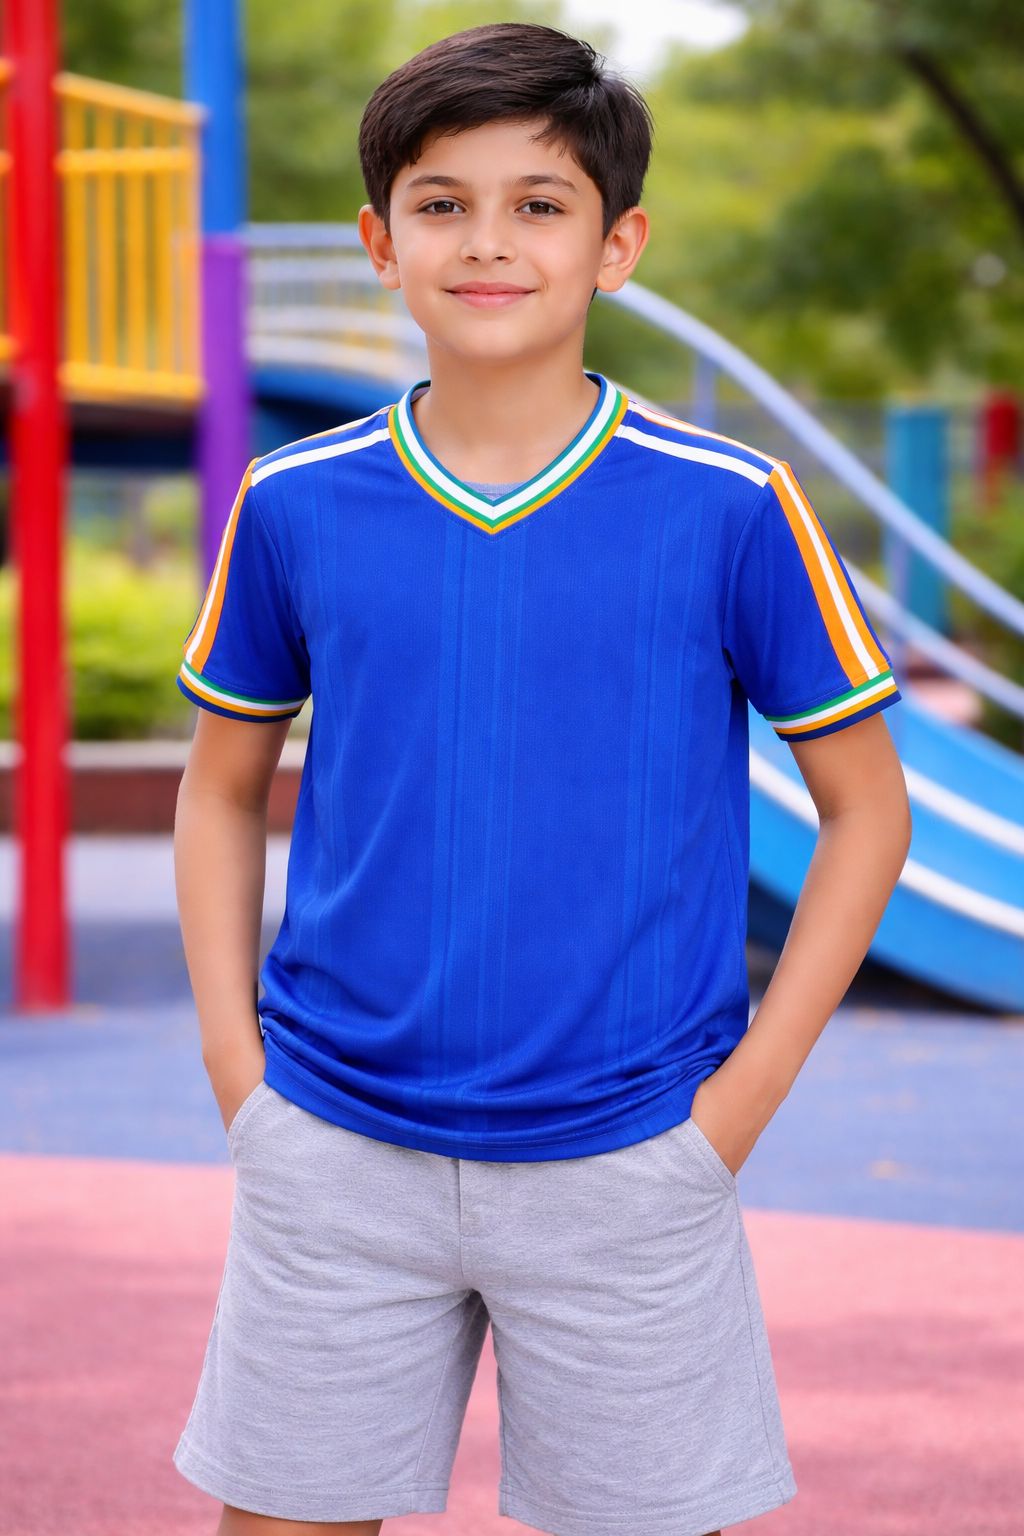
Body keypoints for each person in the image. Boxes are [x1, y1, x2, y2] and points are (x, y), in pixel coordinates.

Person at [171, 21, 912, 1536]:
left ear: (617, 245)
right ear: (380, 244)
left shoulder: (732, 505)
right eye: (442, 204)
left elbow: (869, 810)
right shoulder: (294, 500)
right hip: (334, 1144)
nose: (489, 242)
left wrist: (729, 1117)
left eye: (540, 203)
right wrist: (242, 1084)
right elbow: (222, 786)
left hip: (632, 1155)